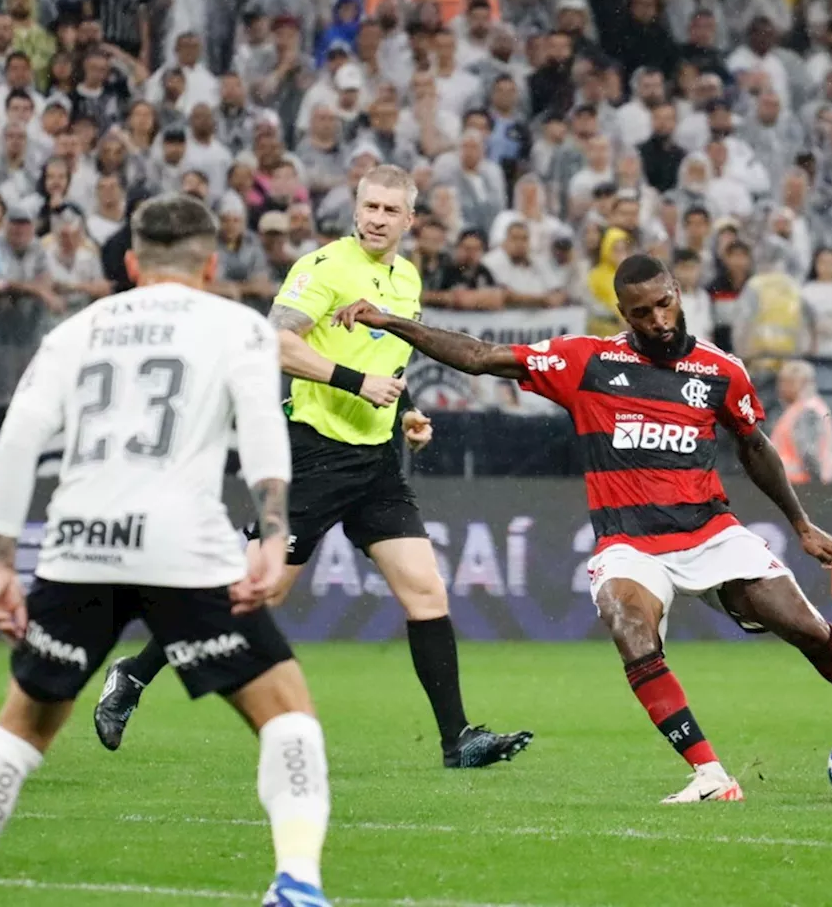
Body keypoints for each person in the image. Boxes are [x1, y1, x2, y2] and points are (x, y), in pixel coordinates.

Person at [333, 253, 832, 802]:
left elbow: (754, 447)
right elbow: (478, 355)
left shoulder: (721, 371)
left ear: (678, 294)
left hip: (711, 534)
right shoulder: (585, 363)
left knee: (808, 630)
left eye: (665, 305)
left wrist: (799, 523)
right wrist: (390, 321)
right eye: (642, 313)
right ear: (623, 314)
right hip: (630, 542)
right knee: (630, 626)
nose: (659, 321)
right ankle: (711, 775)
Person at [0, 194, 332, 907]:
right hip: (180, 544)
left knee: (22, 727)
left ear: (129, 262)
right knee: (285, 710)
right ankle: (297, 883)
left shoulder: (76, 329)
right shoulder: (236, 326)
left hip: (78, 544)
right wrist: (273, 530)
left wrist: (3, 559)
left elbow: (17, 441)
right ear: (212, 263)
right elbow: (259, 431)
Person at [92, 165, 532, 770]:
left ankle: (457, 740)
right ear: (356, 209)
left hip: (375, 463)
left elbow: (386, 358)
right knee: (254, 594)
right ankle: (134, 676)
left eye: (389, 210)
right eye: (368, 207)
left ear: (410, 220)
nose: (376, 218)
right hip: (314, 452)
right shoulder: (324, 268)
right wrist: (358, 385)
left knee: (427, 591)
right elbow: (277, 342)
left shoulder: (405, 277)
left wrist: (406, 409)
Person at [769, 360, 832, 485]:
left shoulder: (808, 411)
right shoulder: (800, 408)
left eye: (787, 382)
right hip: (795, 484)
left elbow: (810, 454)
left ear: (802, 383)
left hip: (802, 485)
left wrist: (815, 487)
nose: (781, 387)